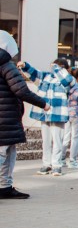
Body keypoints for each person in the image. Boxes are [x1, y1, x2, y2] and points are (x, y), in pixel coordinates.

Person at [0, 31, 49, 199]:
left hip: (5, 117)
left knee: (8, 152)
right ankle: (4, 185)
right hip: (4, 118)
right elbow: (21, 90)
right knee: (3, 153)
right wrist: (44, 104)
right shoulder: (6, 65)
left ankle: (4, 186)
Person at [18, 58, 75, 177]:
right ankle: (46, 164)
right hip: (45, 113)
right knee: (46, 141)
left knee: (57, 141)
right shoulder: (46, 77)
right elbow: (34, 74)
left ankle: (57, 165)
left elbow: (67, 81)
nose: (54, 69)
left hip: (58, 114)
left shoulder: (67, 79)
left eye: (58, 67)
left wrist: (56, 68)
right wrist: (25, 66)